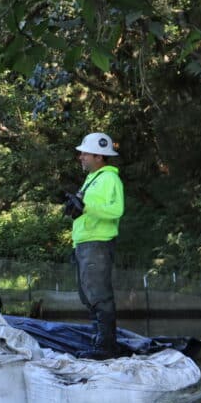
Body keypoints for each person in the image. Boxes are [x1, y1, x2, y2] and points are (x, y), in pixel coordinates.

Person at [64, 131, 124, 359]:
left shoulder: (110, 179)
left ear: (99, 156)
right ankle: (98, 345)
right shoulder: (92, 179)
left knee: (99, 296)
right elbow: (86, 208)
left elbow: (116, 210)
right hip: (84, 244)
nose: (80, 157)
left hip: (98, 244)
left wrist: (86, 207)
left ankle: (106, 348)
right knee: (88, 297)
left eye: (85, 153)